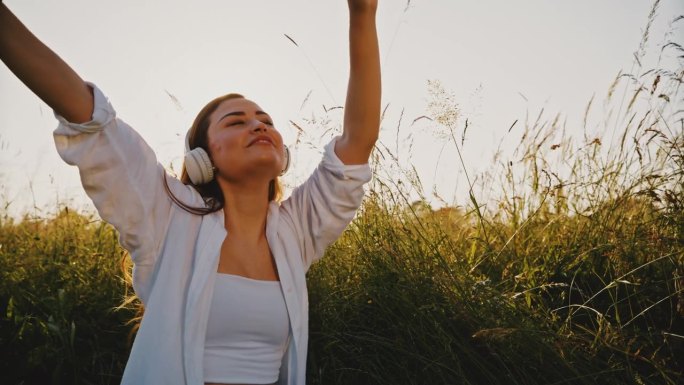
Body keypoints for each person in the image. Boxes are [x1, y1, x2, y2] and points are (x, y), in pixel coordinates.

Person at [0, 0, 381, 384]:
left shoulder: (295, 232)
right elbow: (87, 116)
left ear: (282, 155)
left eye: (266, 120)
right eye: (237, 121)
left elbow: (357, 140)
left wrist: (362, 14)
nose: (258, 126)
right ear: (202, 157)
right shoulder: (167, 216)